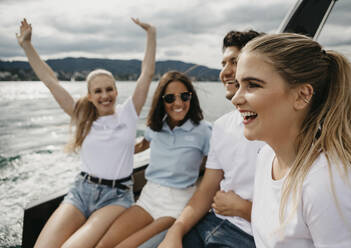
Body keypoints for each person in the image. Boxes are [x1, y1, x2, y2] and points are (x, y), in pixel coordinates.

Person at [16, 17, 156, 247]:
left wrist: (151, 33)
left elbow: (147, 74)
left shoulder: (128, 113)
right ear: (90, 96)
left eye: (109, 89)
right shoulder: (83, 117)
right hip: (82, 191)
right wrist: (27, 45)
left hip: (116, 196)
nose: (105, 95)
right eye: (98, 91)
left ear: (116, 90)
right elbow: (51, 82)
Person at [232, 33, 351, 247]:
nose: (236, 98)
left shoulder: (327, 183)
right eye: (238, 84)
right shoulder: (266, 157)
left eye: (253, 85)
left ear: (302, 96)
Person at [158, 30, 265, 248]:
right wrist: (176, 230)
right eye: (223, 63)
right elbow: (207, 190)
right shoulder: (222, 126)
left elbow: (295, 225)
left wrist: (243, 209)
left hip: (251, 236)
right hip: (211, 222)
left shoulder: (278, 129)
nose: (225, 72)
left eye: (234, 62)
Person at [95, 71, 212, 248]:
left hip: (177, 204)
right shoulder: (156, 127)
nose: (178, 103)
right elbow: (142, 145)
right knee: (103, 244)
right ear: (162, 101)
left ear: (191, 98)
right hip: (149, 197)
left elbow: (216, 167)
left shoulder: (204, 131)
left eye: (184, 96)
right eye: (170, 98)